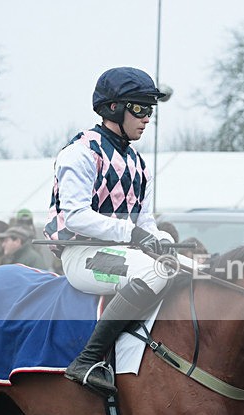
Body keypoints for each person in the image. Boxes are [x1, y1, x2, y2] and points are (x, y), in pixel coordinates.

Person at [43, 66, 174, 397]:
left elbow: (143, 220)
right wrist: (132, 234)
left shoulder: (138, 163)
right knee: (152, 272)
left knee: (179, 268)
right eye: (140, 108)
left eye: (150, 111)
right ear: (114, 108)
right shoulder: (81, 152)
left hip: (120, 252)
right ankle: (86, 361)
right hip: (83, 255)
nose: (147, 118)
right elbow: (75, 216)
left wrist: (162, 240)